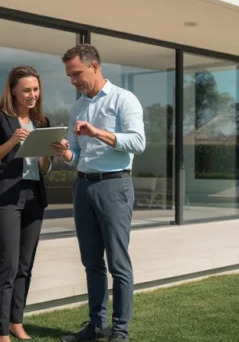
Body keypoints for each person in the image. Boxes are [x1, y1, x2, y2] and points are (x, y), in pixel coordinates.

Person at [49, 44, 146, 342]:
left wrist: (97, 132)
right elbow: (77, 155)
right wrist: (64, 153)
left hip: (114, 185)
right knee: (91, 262)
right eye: (69, 75)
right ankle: (96, 326)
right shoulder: (77, 107)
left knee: (118, 262)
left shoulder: (123, 99)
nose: (73, 80)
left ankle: (119, 332)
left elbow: (138, 142)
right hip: (83, 186)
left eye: (76, 73)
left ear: (94, 66)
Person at [0, 65, 53, 342]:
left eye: (35, 89)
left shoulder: (43, 122)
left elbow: (44, 169)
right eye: (26, 90)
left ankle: (16, 322)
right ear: (13, 90)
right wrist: (12, 141)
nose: (32, 94)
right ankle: (1, 332)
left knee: (25, 264)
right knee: (8, 264)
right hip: (7, 197)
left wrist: (49, 153)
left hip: (34, 196)